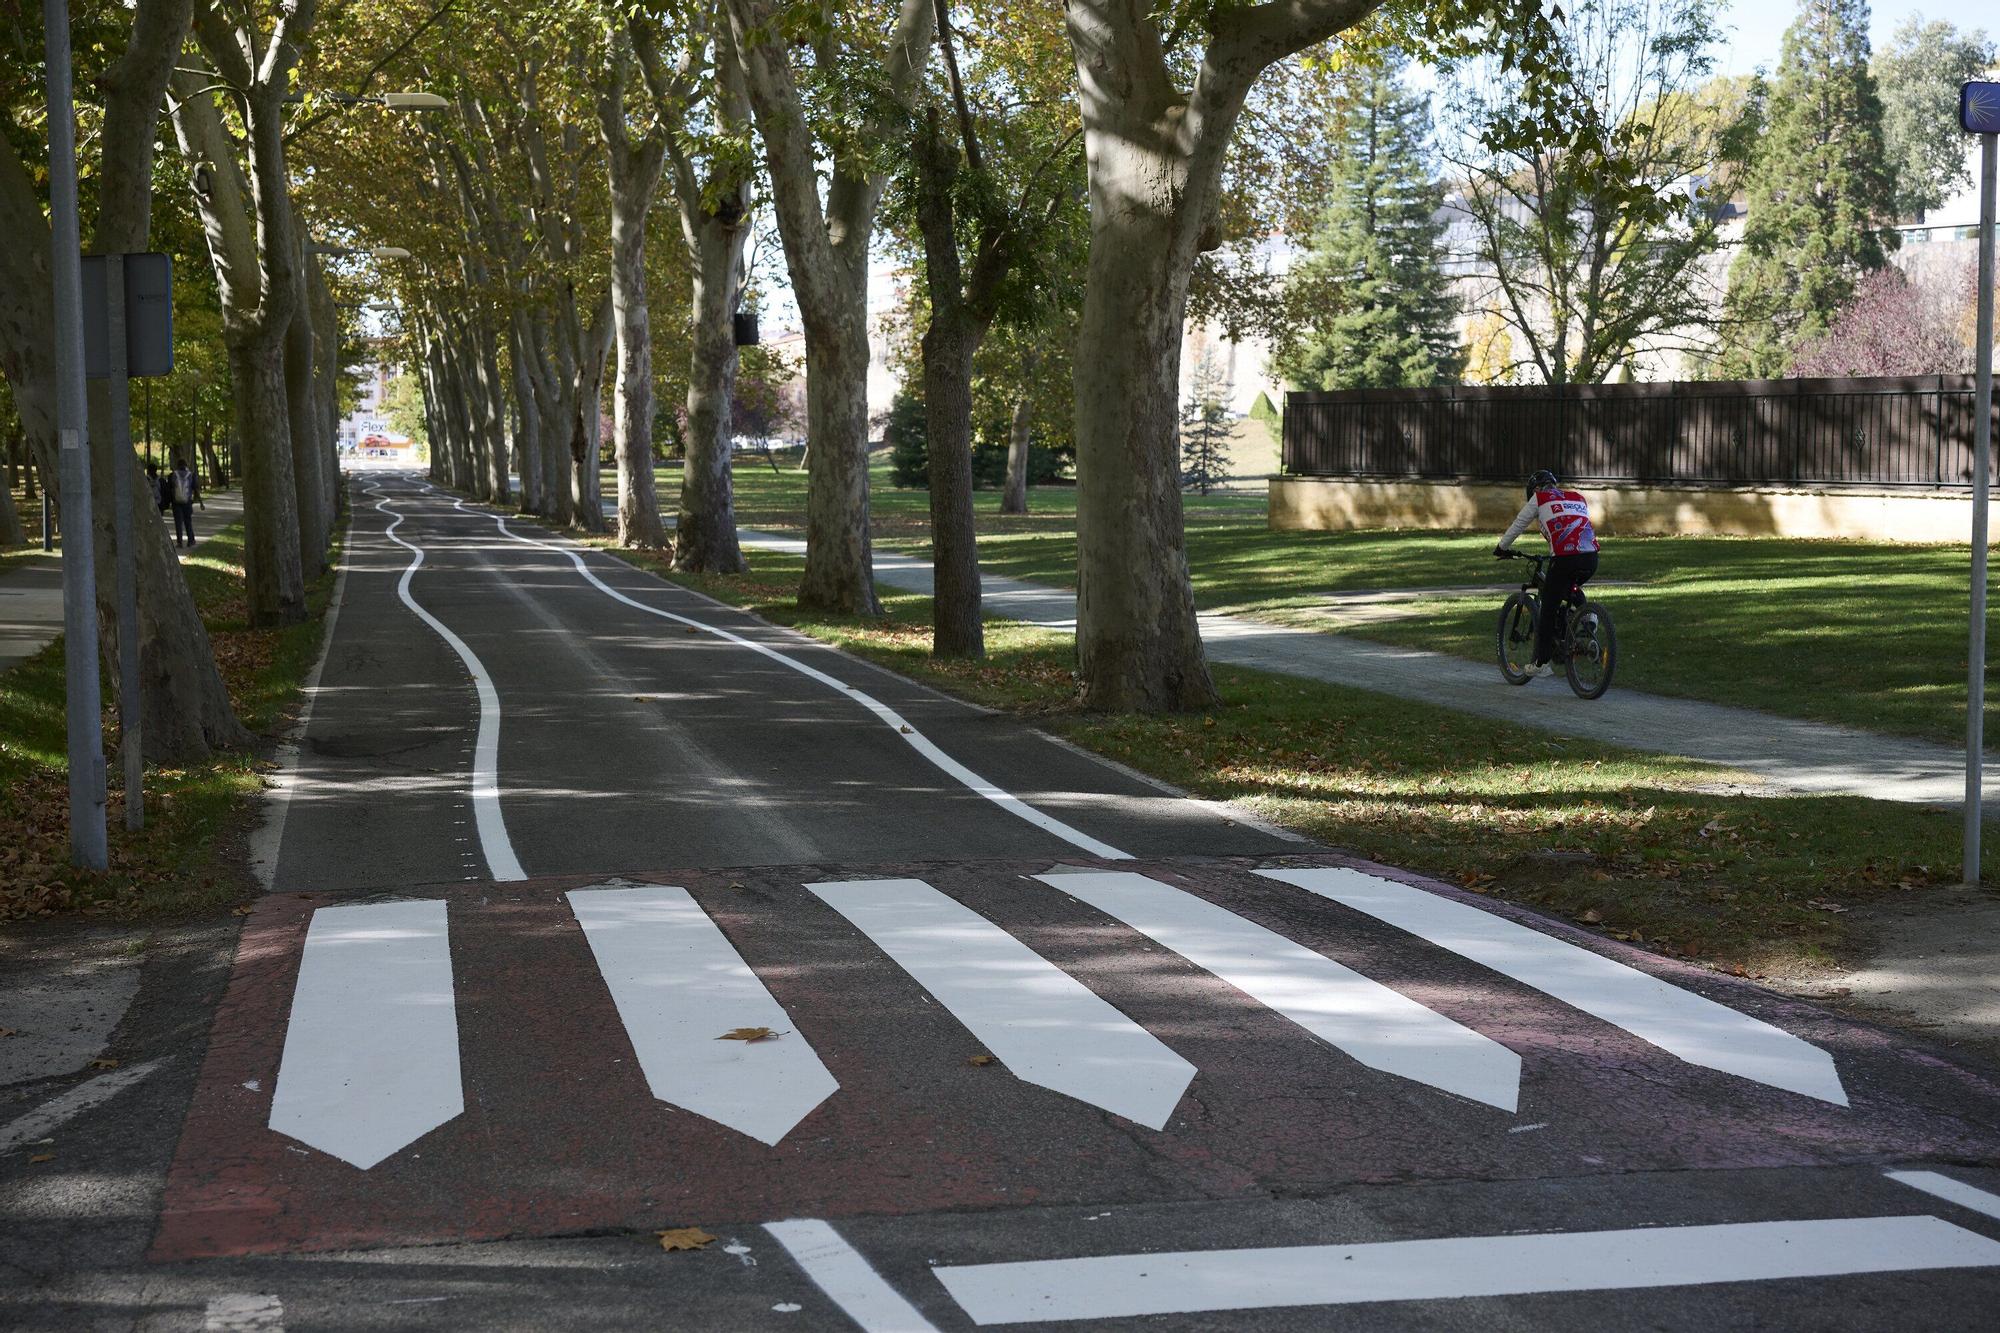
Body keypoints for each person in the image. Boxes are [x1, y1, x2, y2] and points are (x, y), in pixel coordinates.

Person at [1495, 468, 1598, 676]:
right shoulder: (1577, 497)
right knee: (1570, 586)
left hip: (1564, 558)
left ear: (1535, 489)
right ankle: (1589, 618)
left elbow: (1518, 524)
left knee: (1548, 609)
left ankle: (1541, 664)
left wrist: (1501, 547)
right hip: (1591, 556)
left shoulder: (1539, 498)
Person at [168, 456, 202, 549]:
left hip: (176, 503)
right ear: (186, 465)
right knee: (188, 522)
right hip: (187, 502)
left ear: (177, 465)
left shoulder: (172, 475)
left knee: (178, 523)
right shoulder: (191, 475)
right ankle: (190, 540)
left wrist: (170, 501)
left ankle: (179, 542)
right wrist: (201, 503)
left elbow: (170, 489)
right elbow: (195, 489)